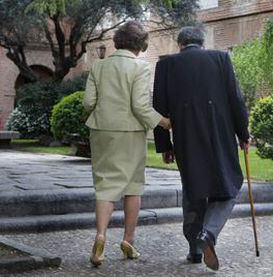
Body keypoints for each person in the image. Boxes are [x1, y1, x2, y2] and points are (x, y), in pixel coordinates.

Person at [153, 26, 250, 271]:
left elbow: (159, 107)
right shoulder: (221, 59)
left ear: (180, 44)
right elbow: (236, 100)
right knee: (229, 186)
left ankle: (195, 250)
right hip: (220, 134)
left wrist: (165, 145)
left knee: (193, 188)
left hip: (186, 136)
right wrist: (243, 134)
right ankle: (209, 233)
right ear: (202, 43)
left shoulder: (166, 65)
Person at [83, 21, 170, 267]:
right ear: (140, 44)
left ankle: (100, 237)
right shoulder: (140, 67)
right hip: (130, 132)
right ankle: (128, 242)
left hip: (101, 129)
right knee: (133, 186)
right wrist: (164, 122)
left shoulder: (98, 66)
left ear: (118, 40)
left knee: (104, 185)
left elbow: (88, 102)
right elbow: (140, 107)